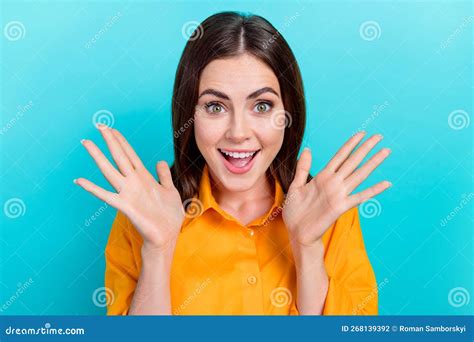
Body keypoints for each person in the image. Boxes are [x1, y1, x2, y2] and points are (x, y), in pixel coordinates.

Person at [74, 11, 391, 315]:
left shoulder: (331, 213)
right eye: (214, 107)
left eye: (262, 105)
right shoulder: (142, 215)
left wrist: (306, 247)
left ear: (288, 114)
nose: (238, 133)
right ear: (189, 115)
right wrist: (158, 249)